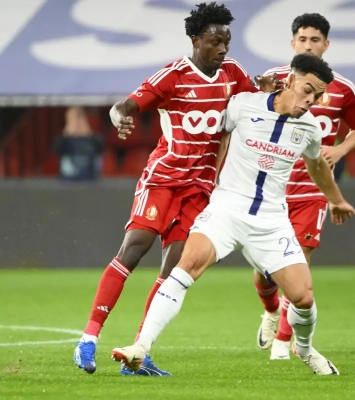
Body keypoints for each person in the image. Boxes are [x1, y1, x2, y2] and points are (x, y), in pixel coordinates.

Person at [111, 53, 355, 376]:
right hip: (227, 209)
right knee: (186, 267)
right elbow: (212, 135)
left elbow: (317, 166)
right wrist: (204, 182)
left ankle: (306, 349)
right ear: (290, 80)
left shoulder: (310, 128)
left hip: (271, 221)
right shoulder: (244, 105)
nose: (311, 100)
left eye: (318, 95)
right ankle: (140, 348)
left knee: (303, 297)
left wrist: (336, 200)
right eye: (307, 90)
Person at [73, 2, 278, 376]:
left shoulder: (233, 74)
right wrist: (121, 119)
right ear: (196, 40)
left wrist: (265, 93)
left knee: (174, 270)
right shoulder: (173, 76)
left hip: (200, 189)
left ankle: (139, 351)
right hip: (164, 179)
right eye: (215, 41)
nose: (223, 48)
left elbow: (255, 104)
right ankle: (88, 339)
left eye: (227, 41)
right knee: (134, 249)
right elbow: (123, 106)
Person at [252, 13, 355, 360]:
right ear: (293, 43)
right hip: (273, 187)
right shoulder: (274, 79)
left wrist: (340, 150)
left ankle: (282, 343)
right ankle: (271, 311)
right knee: (264, 273)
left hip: (312, 190)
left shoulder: (343, 88)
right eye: (302, 39)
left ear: (326, 45)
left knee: (298, 262)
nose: (308, 45)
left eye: (314, 40)